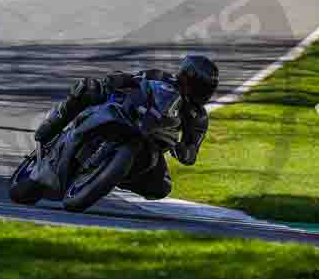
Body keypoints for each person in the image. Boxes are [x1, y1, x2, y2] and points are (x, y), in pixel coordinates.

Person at [33, 55, 218, 200]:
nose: (201, 92)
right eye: (198, 85)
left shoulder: (198, 118)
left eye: (206, 88)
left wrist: (181, 150)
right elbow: (131, 78)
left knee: (162, 187)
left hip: (151, 141)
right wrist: (113, 81)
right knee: (87, 87)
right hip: (127, 113)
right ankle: (52, 126)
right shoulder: (161, 77)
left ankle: (110, 175)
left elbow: (191, 153)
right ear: (185, 76)